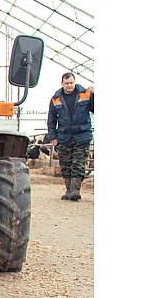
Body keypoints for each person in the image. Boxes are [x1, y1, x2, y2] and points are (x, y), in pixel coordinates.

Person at [46, 72, 94, 201]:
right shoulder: (55, 99)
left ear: (75, 82)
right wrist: (53, 137)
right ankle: (68, 190)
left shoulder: (86, 94)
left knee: (78, 164)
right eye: (67, 83)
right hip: (64, 136)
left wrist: (95, 94)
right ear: (62, 84)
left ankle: (75, 190)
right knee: (66, 164)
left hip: (82, 135)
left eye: (71, 83)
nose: (69, 86)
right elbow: (51, 120)